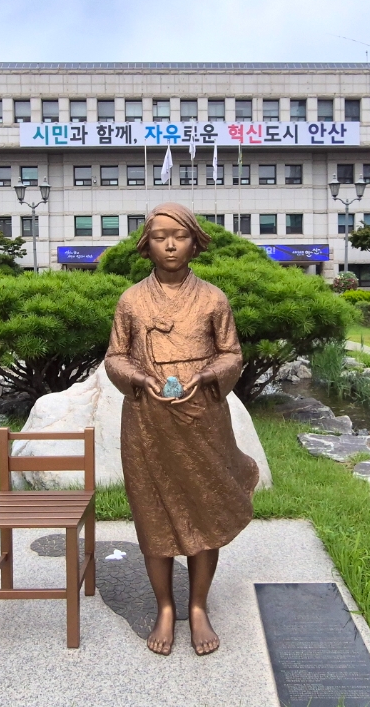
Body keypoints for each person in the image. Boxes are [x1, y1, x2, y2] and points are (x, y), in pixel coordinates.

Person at [104, 203, 258, 656]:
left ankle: (198, 606)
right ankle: (166, 607)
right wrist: (140, 378)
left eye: (179, 236)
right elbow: (115, 357)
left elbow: (231, 354)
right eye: (159, 237)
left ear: (195, 242)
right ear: (146, 245)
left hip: (202, 419)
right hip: (147, 421)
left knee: (204, 510)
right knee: (153, 513)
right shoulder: (132, 301)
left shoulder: (213, 299)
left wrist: (207, 375)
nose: (170, 245)